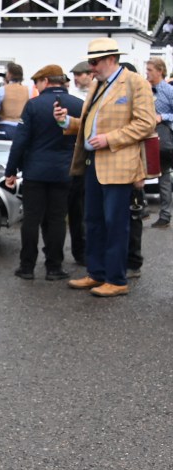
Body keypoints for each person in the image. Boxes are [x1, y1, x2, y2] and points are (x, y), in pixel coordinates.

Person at [55, 38, 155, 297]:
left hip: (119, 166)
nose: (91, 67)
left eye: (94, 62)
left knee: (115, 223)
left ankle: (116, 279)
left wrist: (110, 139)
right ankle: (96, 273)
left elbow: (145, 124)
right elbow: (91, 125)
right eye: (90, 62)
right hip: (93, 164)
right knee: (94, 222)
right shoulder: (99, 85)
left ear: (111, 59)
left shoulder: (135, 83)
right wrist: (68, 122)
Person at [5, 65, 83, 280]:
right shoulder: (79, 105)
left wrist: (11, 171)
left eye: (37, 82)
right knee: (57, 219)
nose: (35, 87)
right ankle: (54, 267)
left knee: (31, 219)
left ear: (46, 81)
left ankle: (27, 266)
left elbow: (20, 141)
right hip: (64, 170)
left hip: (35, 171)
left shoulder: (34, 105)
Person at [146, 57, 173, 228]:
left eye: (150, 70)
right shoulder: (144, 90)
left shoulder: (168, 91)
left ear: (160, 71)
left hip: (163, 139)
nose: (147, 73)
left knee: (163, 176)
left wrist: (162, 116)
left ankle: (165, 215)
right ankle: (139, 208)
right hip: (145, 137)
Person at [0, 62, 29, 141]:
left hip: (4, 126)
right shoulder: (27, 90)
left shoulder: (2, 90)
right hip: (20, 127)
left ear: (9, 74)